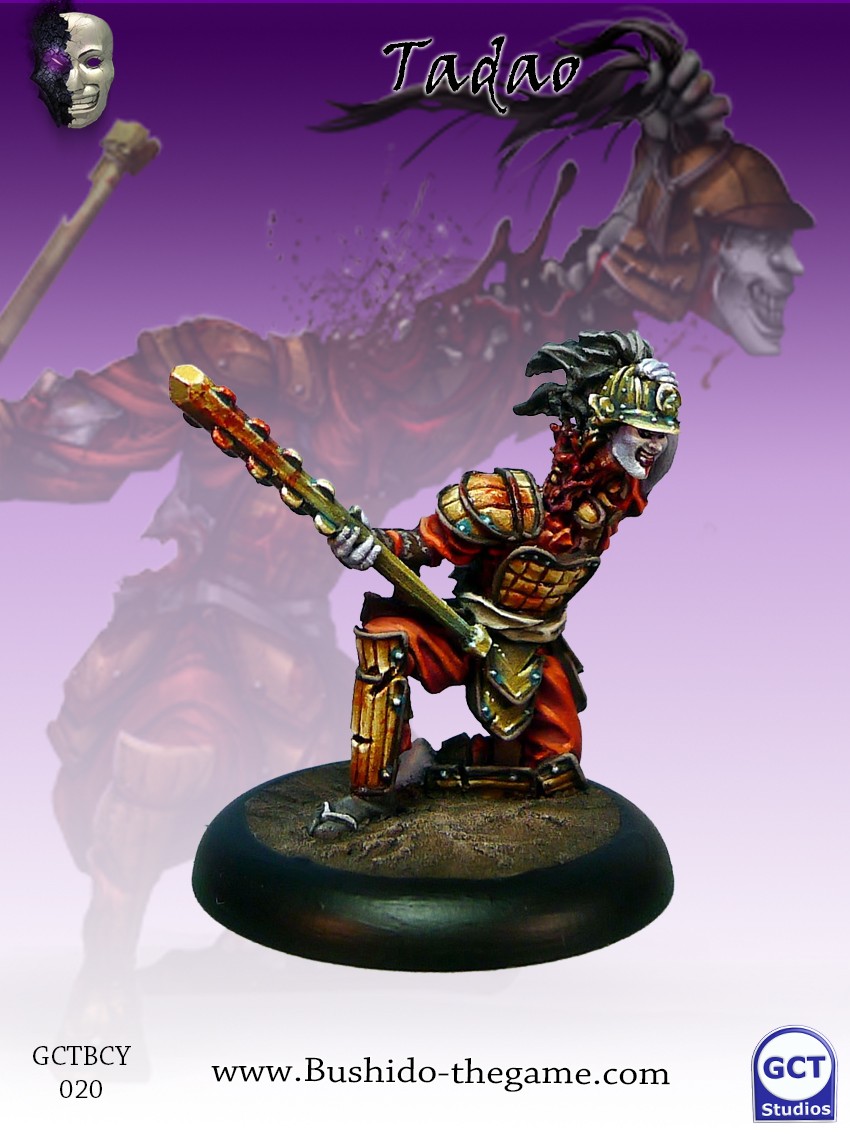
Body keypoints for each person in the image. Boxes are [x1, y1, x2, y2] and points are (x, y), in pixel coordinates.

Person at [312, 328, 680, 837]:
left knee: (556, 772)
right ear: (605, 424)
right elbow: (422, 545)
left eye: (660, 433)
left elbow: (660, 465)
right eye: (643, 431)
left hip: (535, 648)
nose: (655, 445)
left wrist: (655, 388)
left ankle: (447, 763)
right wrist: (368, 544)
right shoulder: (507, 502)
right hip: (467, 634)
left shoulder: (611, 503)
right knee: (387, 640)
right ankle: (369, 793)